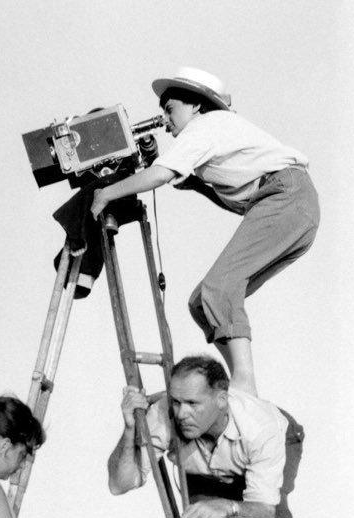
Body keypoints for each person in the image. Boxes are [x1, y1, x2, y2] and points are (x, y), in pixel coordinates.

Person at [91, 66, 320, 396]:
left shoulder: (205, 125)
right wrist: (181, 174)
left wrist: (108, 192)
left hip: (286, 198)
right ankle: (237, 380)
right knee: (202, 302)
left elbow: (159, 175)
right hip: (295, 206)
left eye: (170, 110)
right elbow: (229, 196)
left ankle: (244, 383)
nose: (166, 121)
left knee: (219, 288)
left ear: (197, 105)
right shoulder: (214, 133)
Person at [107, 355, 304, 518]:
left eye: (192, 404)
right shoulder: (163, 415)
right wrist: (129, 429)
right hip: (206, 466)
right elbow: (120, 485)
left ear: (221, 400)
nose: (181, 414)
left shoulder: (261, 429)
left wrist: (228, 507)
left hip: (280, 439)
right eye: (176, 402)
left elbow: (265, 510)